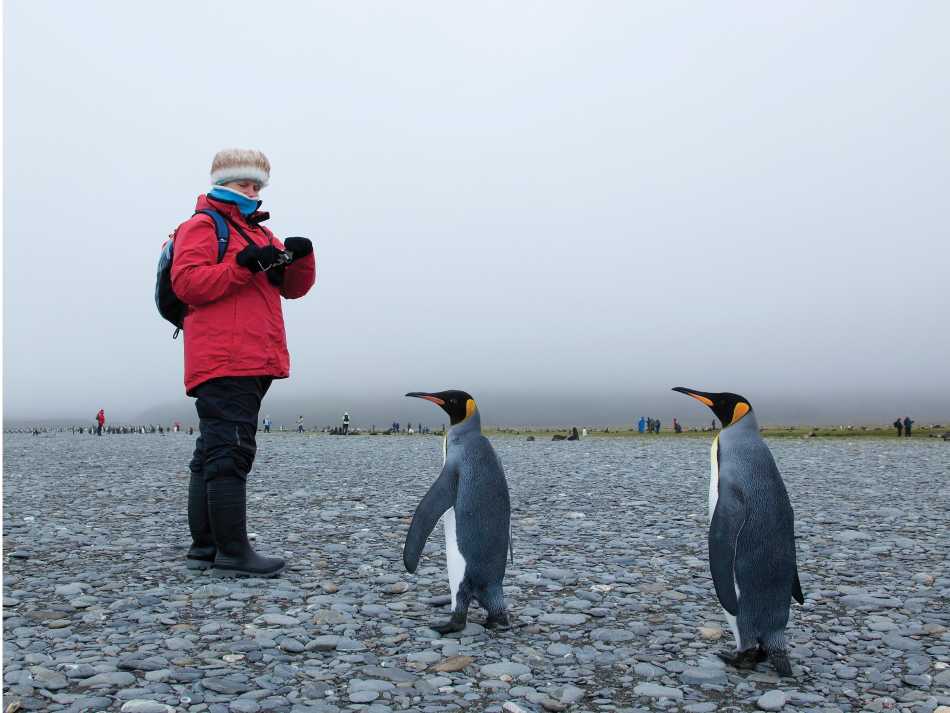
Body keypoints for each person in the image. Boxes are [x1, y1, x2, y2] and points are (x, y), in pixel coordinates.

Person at [172, 148, 316, 577]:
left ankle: (206, 547)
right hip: (225, 355)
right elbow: (188, 284)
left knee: (213, 449)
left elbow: (290, 289)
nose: (251, 191)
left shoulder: (258, 234)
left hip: (252, 355)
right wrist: (239, 264)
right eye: (243, 184)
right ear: (221, 182)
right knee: (231, 449)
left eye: (256, 185)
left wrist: (301, 260)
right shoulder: (202, 226)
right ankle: (233, 552)